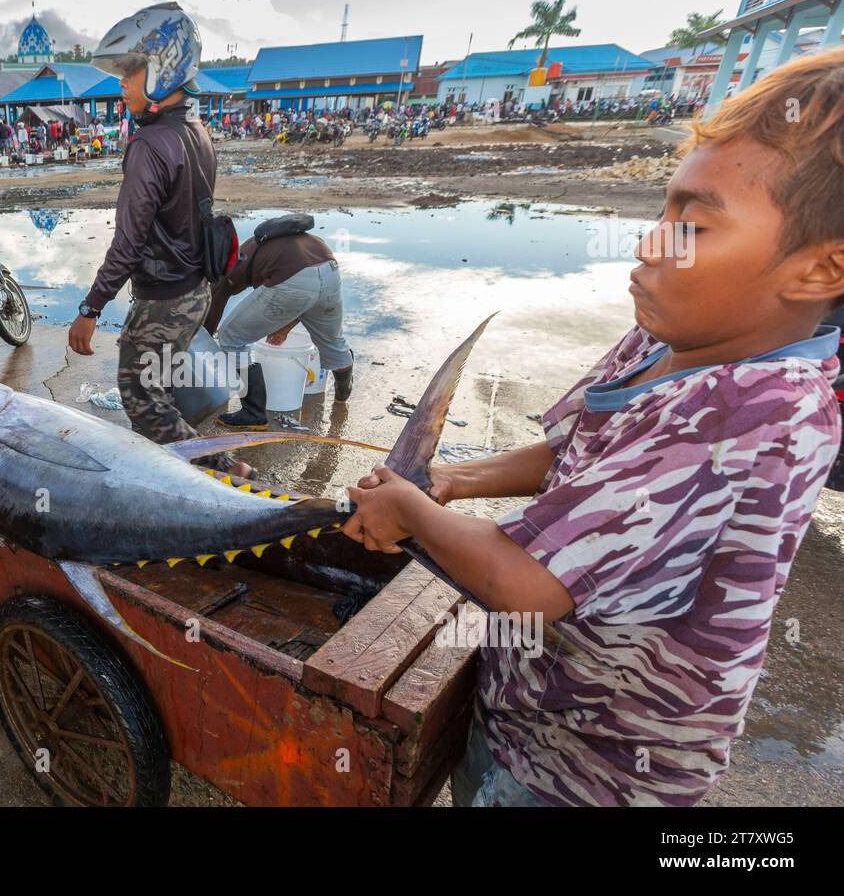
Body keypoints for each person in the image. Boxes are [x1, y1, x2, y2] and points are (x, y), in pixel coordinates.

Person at [343, 49, 844, 807]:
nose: (651, 245)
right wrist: (451, 481)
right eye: (664, 210)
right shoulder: (672, 335)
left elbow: (525, 588)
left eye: (696, 226)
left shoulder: (759, 409)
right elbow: (573, 452)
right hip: (526, 702)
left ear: (817, 273)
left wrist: (413, 513)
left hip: (596, 772)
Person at [69, 3, 249, 478]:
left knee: (144, 401)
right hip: (194, 291)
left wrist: (89, 309)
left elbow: (128, 244)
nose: (121, 83)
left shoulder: (149, 145)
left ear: (164, 70)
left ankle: (227, 477)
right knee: (165, 391)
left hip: (164, 301)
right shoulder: (196, 131)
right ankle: (196, 472)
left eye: (131, 71)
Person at [207, 221, 355, 428]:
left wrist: (203, 339)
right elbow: (305, 299)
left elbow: (211, 319)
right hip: (329, 268)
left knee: (231, 339)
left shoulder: (224, 274)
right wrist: (284, 328)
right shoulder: (258, 248)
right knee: (332, 340)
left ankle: (253, 414)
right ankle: (342, 396)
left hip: (293, 278)